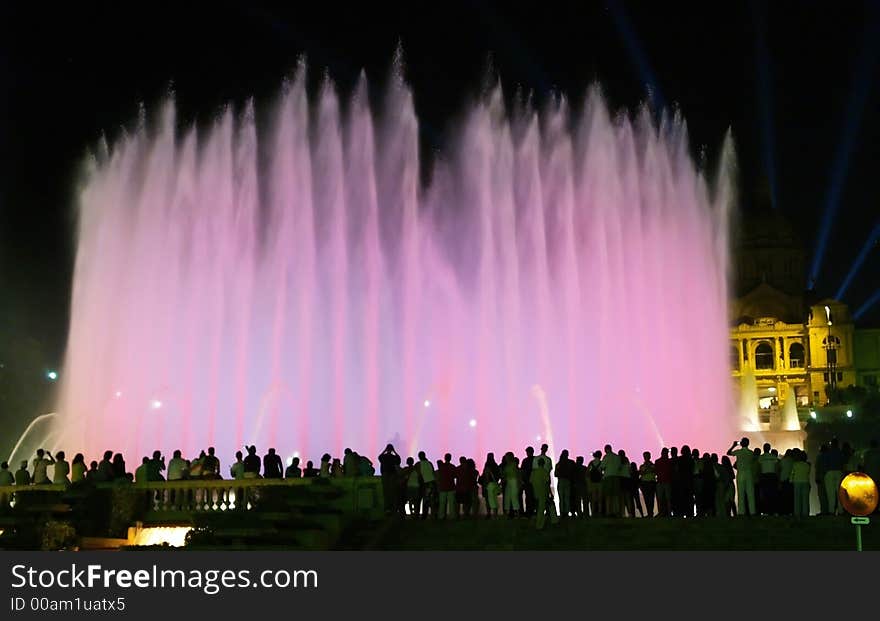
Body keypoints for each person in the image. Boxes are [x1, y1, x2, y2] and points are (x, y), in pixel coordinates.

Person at [727, 437, 756, 516]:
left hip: (740, 474)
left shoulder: (739, 452)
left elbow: (728, 453)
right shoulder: (751, 453)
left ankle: (741, 512)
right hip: (749, 474)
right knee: (750, 493)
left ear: (742, 444)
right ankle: (752, 511)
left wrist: (734, 445)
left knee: (741, 493)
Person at [823, 438, 845, 515]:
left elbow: (825, 463)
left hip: (829, 473)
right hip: (839, 472)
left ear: (831, 444)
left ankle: (831, 510)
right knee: (839, 493)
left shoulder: (827, 453)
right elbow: (843, 463)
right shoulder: (840, 453)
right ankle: (840, 510)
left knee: (830, 493)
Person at [378, 444, 402, 515]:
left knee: (386, 491)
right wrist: (394, 451)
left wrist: (384, 451)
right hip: (392, 475)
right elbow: (399, 460)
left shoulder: (384, 457)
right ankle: (393, 508)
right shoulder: (394, 457)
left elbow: (379, 457)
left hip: (385, 474)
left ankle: (387, 508)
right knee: (393, 491)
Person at [531, 456, 552, 529]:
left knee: (537, 508)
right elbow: (547, 483)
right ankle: (540, 525)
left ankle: (536, 522)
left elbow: (531, 481)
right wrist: (550, 493)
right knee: (541, 509)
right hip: (543, 492)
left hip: (535, 492)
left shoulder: (534, 472)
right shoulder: (545, 472)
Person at [758, 443, 779, 515]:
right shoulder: (773, 457)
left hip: (764, 477)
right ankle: (773, 510)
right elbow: (776, 467)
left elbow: (759, 468)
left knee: (765, 494)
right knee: (773, 494)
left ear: (763, 448)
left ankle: (766, 511)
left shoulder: (761, 457)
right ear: (769, 449)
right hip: (772, 476)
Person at [600, 444, 622, 517]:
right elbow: (619, 466)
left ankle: (609, 511)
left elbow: (602, 466)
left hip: (608, 476)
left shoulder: (606, 457)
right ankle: (617, 511)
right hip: (616, 476)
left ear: (606, 449)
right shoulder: (617, 457)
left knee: (608, 495)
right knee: (616, 495)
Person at [791, 449, 811, 518]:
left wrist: (791, 480)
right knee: (805, 499)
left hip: (796, 482)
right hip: (805, 482)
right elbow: (808, 473)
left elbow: (792, 473)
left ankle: (797, 513)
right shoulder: (807, 465)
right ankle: (805, 514)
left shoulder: (795, 464)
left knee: (797, 499)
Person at [437, 453, 458, 519]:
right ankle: (452, 516)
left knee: (442, 504)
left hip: (442, 487)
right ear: (450, 458)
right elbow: (455, 476)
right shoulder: (453, 467)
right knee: (452, 504)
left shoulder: (441, 466)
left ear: (445, 458)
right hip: (451, 487)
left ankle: (441, 516)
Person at [480, 453, 500, 519]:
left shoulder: (487, 466)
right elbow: (498, 476)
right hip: (493, 484)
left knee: (488, 501)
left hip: (487, 485)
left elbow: (484, 476)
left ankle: (489, 514)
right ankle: (495, 514)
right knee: (494, 500)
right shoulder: (495, 466)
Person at [654, 448, 673, 517]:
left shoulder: (658, 461)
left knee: (662, 499)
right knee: (666, 499)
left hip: (662, 481)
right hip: (665, 481)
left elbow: (656, 471)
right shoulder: (668, 461)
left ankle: (663, 512)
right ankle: (667, 513)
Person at [554, 450, 573, 517]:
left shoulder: (558, 464)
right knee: (567, 498)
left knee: (561, 498)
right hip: (568, 481)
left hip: (561, 481)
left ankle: (562, 512)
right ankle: (567, 511)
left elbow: (555, 474)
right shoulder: (570, 463)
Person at [502, 452, 521, 518]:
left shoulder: (513, 464)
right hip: (509, 481)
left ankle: (517, 513)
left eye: (507, 457)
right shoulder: (507, 465)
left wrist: (519, 483)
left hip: (513, 481)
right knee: (508, 497)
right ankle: (509, 513)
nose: (506, 458)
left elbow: (517, 474)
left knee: (514, 497)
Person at [639, 452, 657, 517]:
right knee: (647, 499)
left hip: (651, 483)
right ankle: (649, 513)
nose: (646, 458)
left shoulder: (653, 465)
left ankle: (650, 513)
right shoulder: (642, 466)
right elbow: (641, 473)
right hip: (645, 483)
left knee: (651, 499)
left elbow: (654, 471)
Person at [586, 450, 603, 517]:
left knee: (593, 498)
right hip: (600, 482)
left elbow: (587, 472)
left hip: (592, 482)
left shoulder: (591, 463)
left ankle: (593, 512)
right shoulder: (601, 463)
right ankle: (600, 512)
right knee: (599, 498)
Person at [521, 446, 535, 516]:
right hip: (533, 481)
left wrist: (523, 480)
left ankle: (529, 511)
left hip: (527, 481)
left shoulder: (525, 461)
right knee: (533, 497)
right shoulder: (535, 459)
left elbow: (522, 471)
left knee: (528, 497)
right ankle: (533, 510)